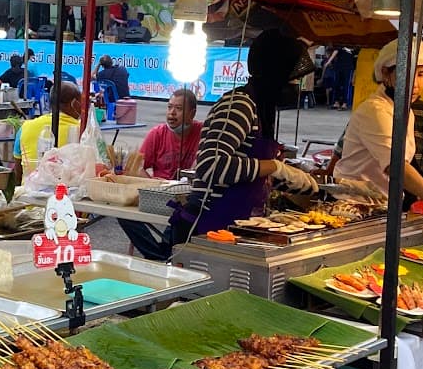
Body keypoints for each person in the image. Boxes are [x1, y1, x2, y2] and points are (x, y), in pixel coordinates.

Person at [118, 29, 318, 260]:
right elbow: (212, 166)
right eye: (291, 77)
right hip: (206, 228)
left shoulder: (261, 109)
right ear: (275, 71)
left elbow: (251, 172)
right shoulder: (238, 105)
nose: (294, 85)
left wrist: (302, 183)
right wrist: (274, 166)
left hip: (236, 226)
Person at [336, 39, 423, 239]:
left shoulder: (403, 110)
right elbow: (396, 165)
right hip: (353, 209)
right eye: (408, 74)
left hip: (382, 207)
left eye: (421, 74)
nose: (416, 84)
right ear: (386, 74)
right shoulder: (375, 110)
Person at [17, 81, 85, 174]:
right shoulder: (82, 131)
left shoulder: (25, 127)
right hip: (66, 187)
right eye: (81, 102)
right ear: (74, 103)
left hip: (27, 186)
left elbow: (18, 169)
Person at [139, 89, 202, 179]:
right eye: (169, 107)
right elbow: (137, 167)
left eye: (178, 108)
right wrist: (153, 185)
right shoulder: (156, 134)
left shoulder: (203, 132)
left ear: (192, 114)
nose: (172, 113)